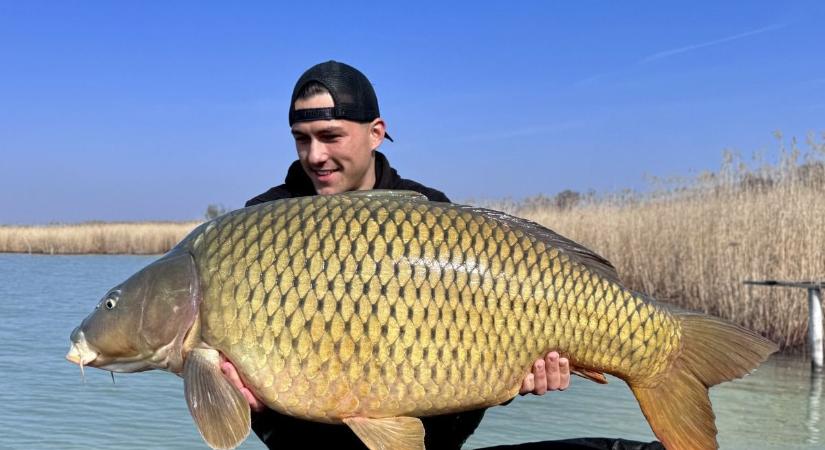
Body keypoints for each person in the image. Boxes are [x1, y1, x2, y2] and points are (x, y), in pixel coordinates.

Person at [221, 60, 572, 450]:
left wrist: (509, 380)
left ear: (375, 133)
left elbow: (469, 359)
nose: (315, 155)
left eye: (330, 136)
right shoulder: (261, 224)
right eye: (302, 139)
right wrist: (256, 407)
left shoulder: (432, 213)